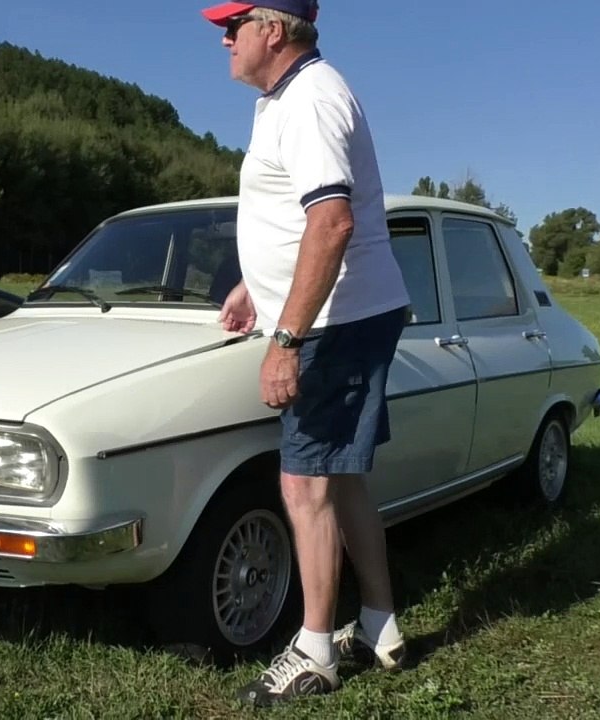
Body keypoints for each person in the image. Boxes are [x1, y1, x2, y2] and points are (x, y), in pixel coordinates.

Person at [199, 0, 413, 707]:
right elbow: (294, 220)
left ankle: (315, 649)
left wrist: (285, 340)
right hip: (341, 313)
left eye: (234, 24)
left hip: (334, 322)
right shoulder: (284, 99)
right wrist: (252, 287)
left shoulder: (312, 99)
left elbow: (332, 221)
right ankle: (379, 624)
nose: (224, 37)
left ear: (275, 29)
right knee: (342, 478)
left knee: (305, 485)